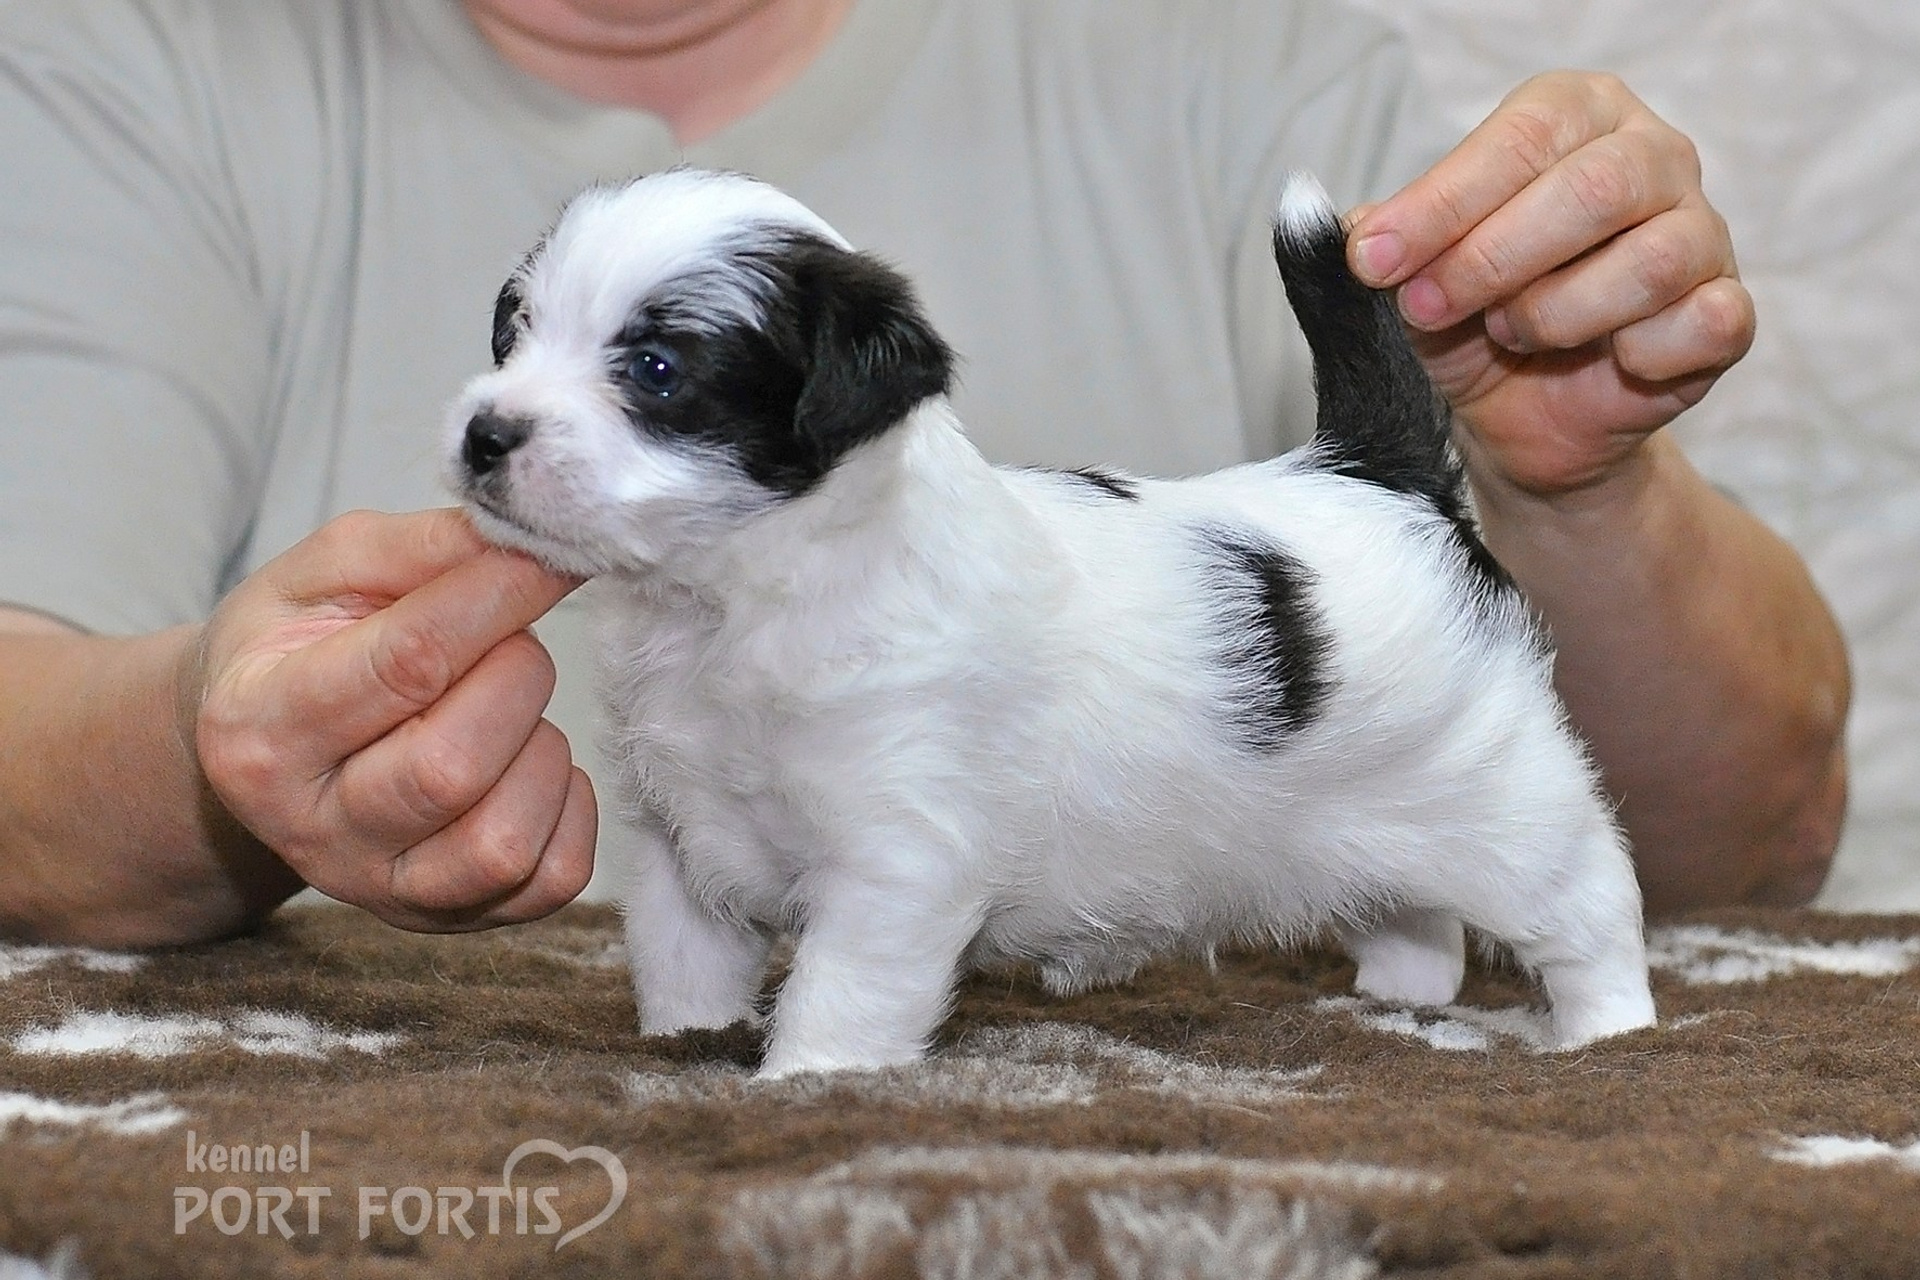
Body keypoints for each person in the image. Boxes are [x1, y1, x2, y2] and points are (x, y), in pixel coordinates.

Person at [0, 0, 1848, 948]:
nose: (510, 409)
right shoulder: (129, 60)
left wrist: (1573, 495)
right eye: (517, 326)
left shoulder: (1228, 50)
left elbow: (1751, 845)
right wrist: (206, 756)